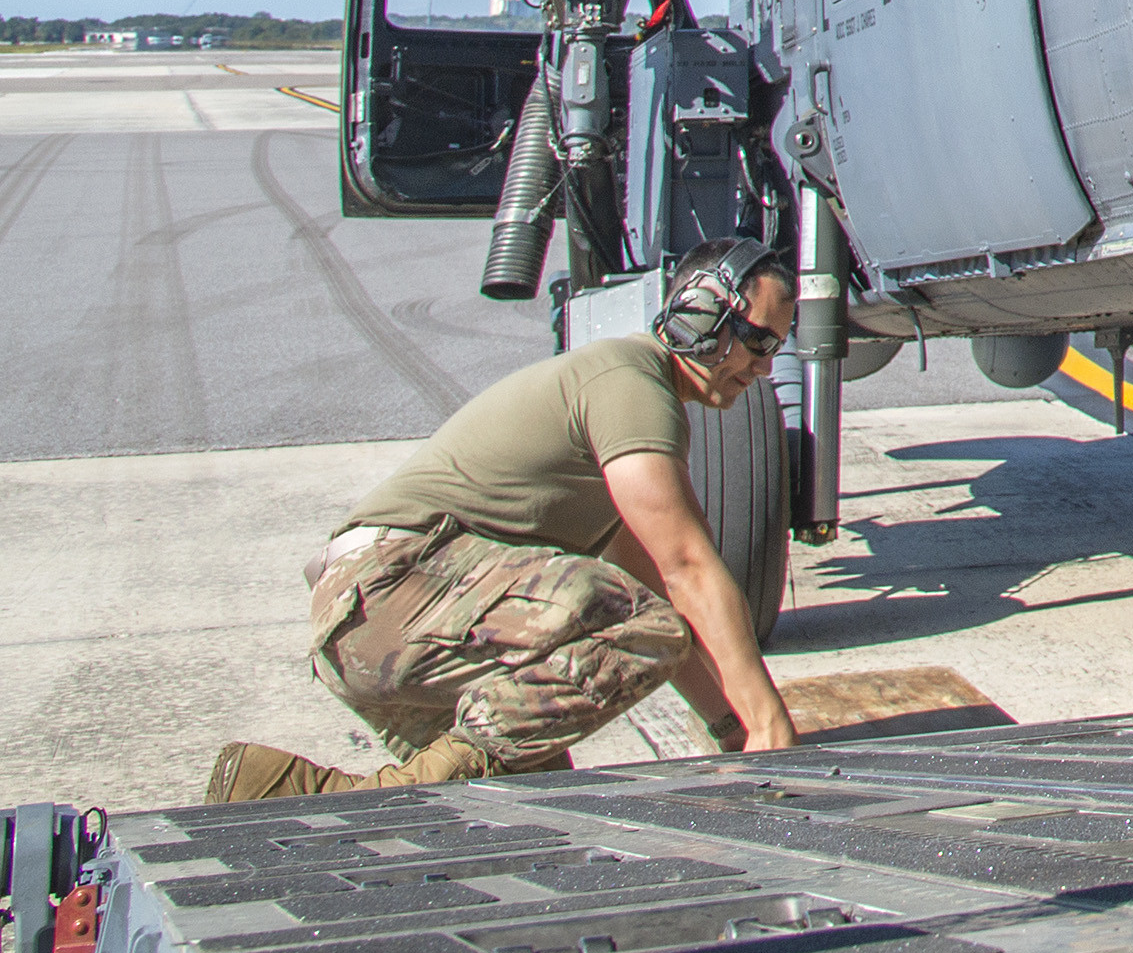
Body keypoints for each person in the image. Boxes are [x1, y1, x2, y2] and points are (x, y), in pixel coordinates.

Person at [207, 236, 805, 800]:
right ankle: (372, 796)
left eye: (776, 346)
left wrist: (729, 727)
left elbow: (656, 589)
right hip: (392, 591)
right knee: (634, 617)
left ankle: (287, 791)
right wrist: (769, 724)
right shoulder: (630, 383)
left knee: (535, 800)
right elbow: (685, 572)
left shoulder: (622, 407)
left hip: (387, 623)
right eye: (759, 341)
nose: (764, 365)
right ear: (700, 315)